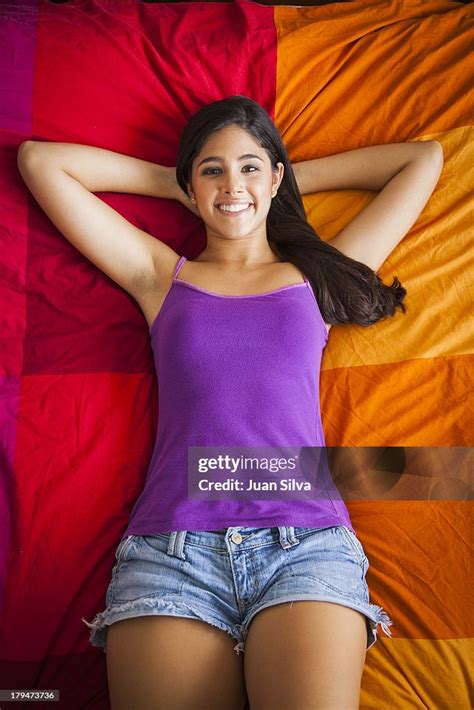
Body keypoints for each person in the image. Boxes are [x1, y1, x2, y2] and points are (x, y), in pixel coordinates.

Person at [17, 95, 443, 710]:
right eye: (211, 169)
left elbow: (421, 160)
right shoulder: (160, 276)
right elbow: (41, 162)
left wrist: (278, 178)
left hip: (305, 546)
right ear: (193, 186)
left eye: (249, 166)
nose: (230, 184)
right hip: (173, 551)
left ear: (274, 177)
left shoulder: (317, 279)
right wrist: (179, 182)